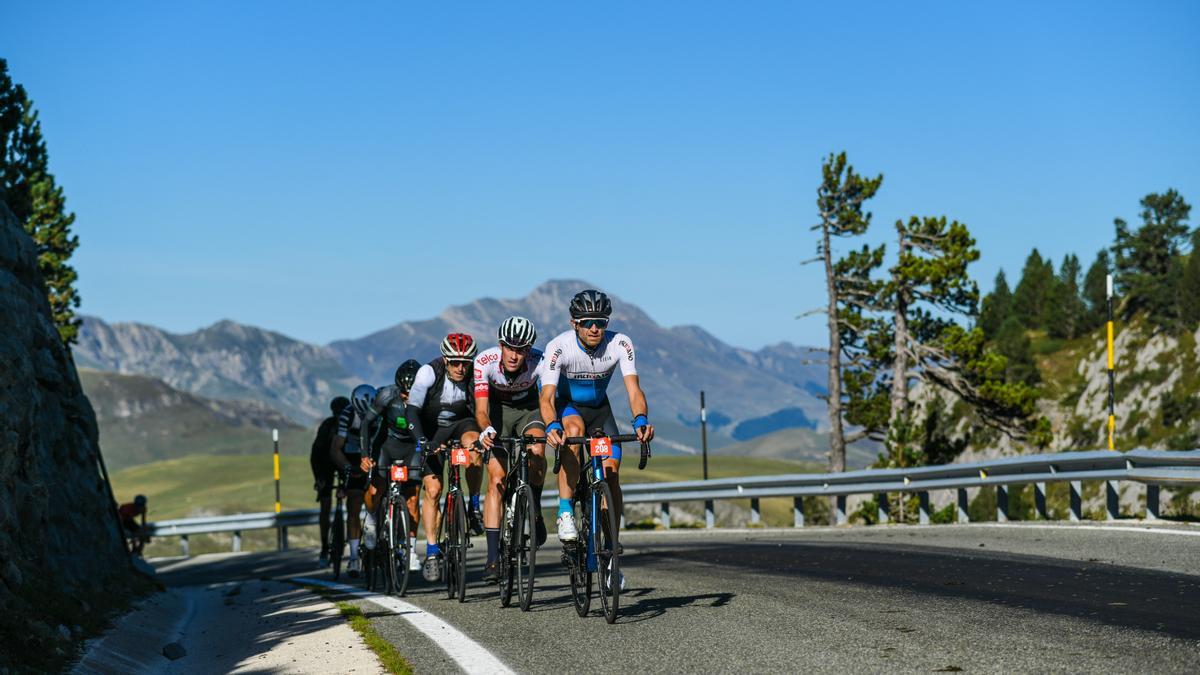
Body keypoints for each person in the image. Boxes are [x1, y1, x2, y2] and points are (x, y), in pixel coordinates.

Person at [540, 290, 655, 590]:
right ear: (574, 323)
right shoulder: (559, 347)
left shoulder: (620, 343)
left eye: (601, 322)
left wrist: (640, 419)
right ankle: (566, 510)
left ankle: (611, 552)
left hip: (601, 412)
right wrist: (552, 424)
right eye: (587, 322)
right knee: (574, 431)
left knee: (612, 473)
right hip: (568, 408)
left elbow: (633, 389)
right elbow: (547, 396)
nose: (595, 328)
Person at [404, 333, 483, 582]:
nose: (461, 368)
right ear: (445, 360)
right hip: (431, 429)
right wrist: (422, 441)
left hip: (461, 424)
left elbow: (482, 409)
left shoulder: (473, 374)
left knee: (474, 448)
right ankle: (431, 552)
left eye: (466, 363)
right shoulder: (429, 372)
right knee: (434, 489)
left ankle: (473, 506)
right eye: (455, 362)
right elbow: (412, 411)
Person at [475, 316, 547, 582]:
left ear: (528, 350)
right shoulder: (484, 362)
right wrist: (486, 429)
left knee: (537, 450)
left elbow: (547, 398)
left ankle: (535, 509)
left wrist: (551, 427)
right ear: (500, 345)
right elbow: (481, 410)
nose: (514, 355)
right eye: (509, 347)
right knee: (497, 480)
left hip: (529, 410)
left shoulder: (540, 361)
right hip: (496, 413)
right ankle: (493, 557)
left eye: (521, 349)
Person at [358, 360, 423, 574]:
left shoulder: (427, 395)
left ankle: (411, 551)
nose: (408, 398)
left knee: (413, 501)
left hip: (411, 447)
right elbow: (366, 423)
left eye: (412, 393)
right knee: (375, 490)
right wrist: (365, 455)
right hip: (386, 446)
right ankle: (371, 517)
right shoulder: (386, 395)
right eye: (404, 394)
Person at [330, 384, 378, 578]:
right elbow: (335, 449)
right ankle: (354, 558)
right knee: (354, 503)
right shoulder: (347, 415)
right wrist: (349, 469)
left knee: (376, 496)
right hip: (353, 456)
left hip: (375, 453)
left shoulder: (380, 410)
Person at [312, 395, 350, 567]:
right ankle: (324, 546)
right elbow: (316, 454)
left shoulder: (349, 423)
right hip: (325, 463)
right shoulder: (327, 426)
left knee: (351, 496)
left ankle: (349, 536)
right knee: (325, 503)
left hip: (344, 462)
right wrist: (319, 479)